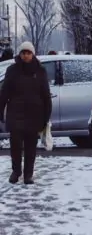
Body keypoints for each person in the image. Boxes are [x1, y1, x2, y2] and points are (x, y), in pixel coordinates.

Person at [0, 42, 52, 185]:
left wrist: (46, 116)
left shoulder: (40, 71)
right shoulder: (12, 70)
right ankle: (16, 171)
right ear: (20, 54)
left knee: (30, 147)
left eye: (28, 52)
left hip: (34, 114)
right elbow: (4, 92)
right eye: (23, 52)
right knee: (15, 146)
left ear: (33, 54)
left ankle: (28, 174)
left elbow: (46, 95)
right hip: (15, 113)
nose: (26, 55)